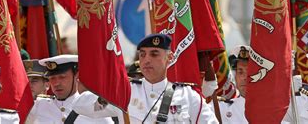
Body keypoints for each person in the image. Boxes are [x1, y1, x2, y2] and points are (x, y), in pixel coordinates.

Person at [72, 33, 218, 123]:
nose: (147, 60)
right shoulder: (125, 92)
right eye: (142, 55)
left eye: (154, 54)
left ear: (169, 58)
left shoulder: (189, 96)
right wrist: (107, 97)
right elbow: (79, 106)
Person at [25, 55, 115, 123]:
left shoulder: (92, 104)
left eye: (62, 77)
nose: (56, 83)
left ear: (76, 76)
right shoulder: (38, 106)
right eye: (52, 78)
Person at [213, 45, 250, 123]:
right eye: (240, 72)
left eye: (250, 72)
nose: (244, 77)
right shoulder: (221, 110)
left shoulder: (276, 111)